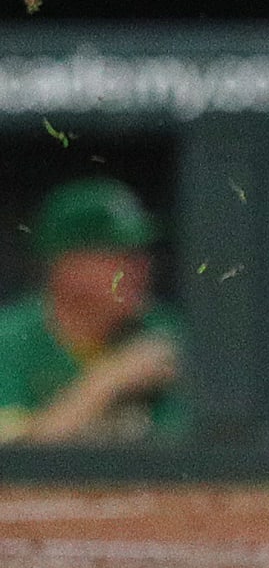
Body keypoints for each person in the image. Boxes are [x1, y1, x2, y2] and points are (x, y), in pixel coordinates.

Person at [0, 180, 184, 443]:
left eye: (141, 254)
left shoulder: (168, 334)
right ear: (66, 267)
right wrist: (108, 380)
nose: (141, 268)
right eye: (120, 257)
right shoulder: (9, 339)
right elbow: (15, 461)